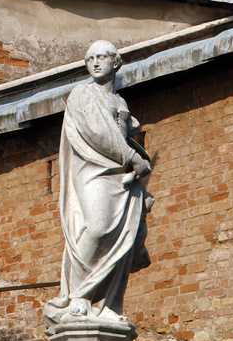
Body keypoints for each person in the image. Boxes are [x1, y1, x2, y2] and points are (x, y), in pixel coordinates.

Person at [45, 40, 153, 323]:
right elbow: (98, 133)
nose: (94, 62)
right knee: (97, 227)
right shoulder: (82, 94)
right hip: (93, 170)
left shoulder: (120, 102)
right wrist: (132, 155)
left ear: (115, 63)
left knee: (120, 238)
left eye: (101, 57)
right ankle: (78, 295)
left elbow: (125, 137)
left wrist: (140, 162)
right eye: (89, 58)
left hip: (121, 176)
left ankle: (107, 305)